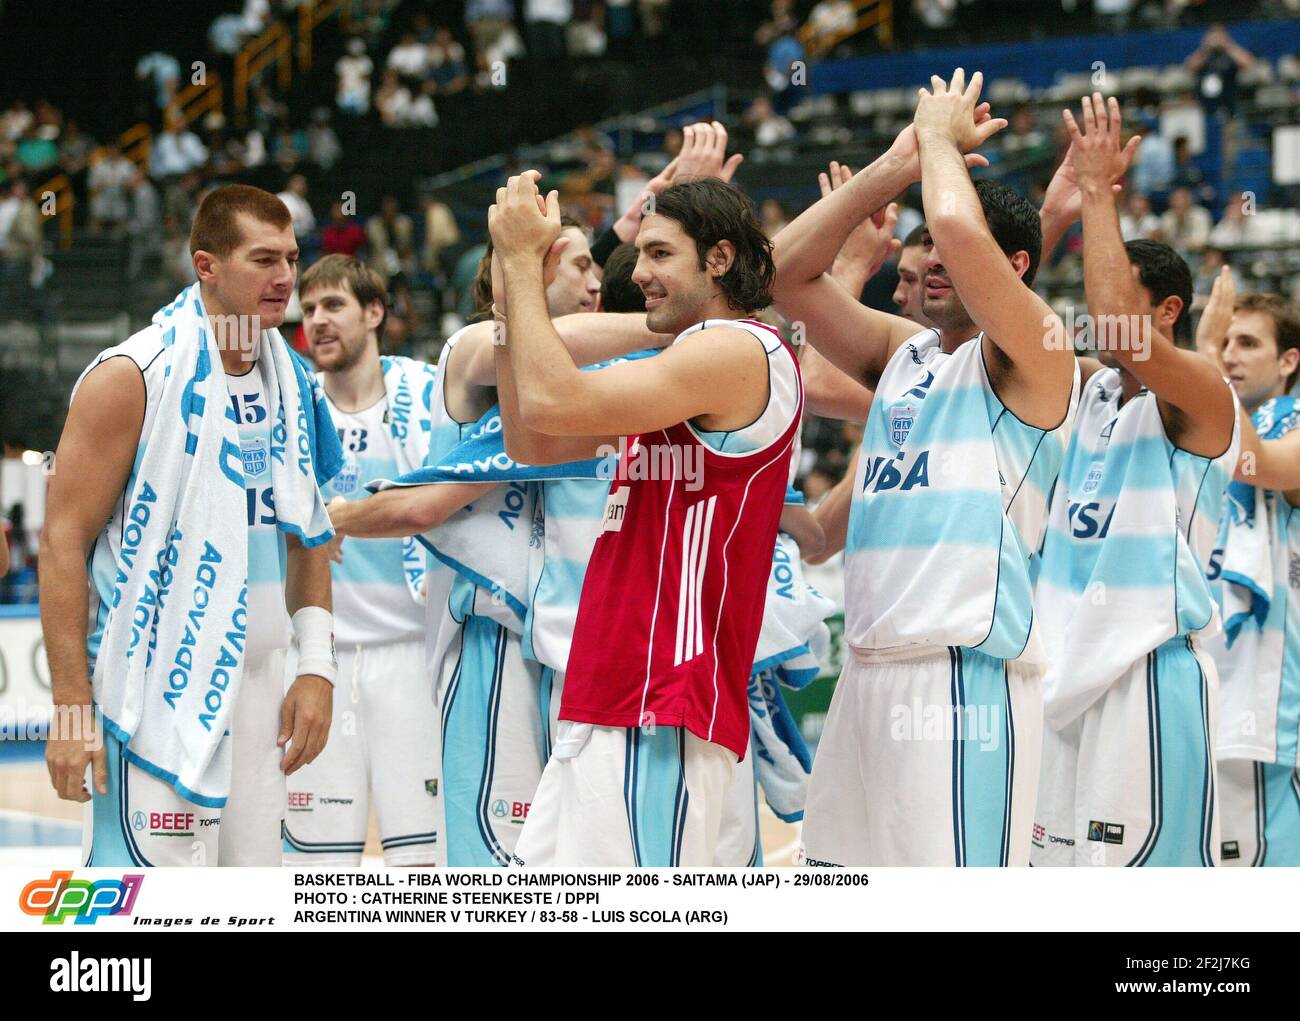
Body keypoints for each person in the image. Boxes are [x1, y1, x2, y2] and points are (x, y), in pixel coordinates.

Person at [772, 70, 1079, 867]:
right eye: (921, 258)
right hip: (867, 674)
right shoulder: (902, 354)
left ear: (1011, 265)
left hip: (959, 682)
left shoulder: (1037, 358)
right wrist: (894, 165)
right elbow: (781, 277)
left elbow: (953, 219)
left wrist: (938, 139)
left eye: (951, 253)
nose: (934, 260)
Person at [491, 171, 803, 867]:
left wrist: (517, 262)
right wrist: (509, 296)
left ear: (718, 258)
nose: (640, 270)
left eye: (661, 253)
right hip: (610, 693)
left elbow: (551, 400)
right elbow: (531, 440)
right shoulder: (682, 365)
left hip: (662, 696)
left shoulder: (738, 350)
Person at [41, 185, 342, 867]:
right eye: (264, 259)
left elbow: (310, 533)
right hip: (153, 689)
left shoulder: (293, 381)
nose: (286, 278)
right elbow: (62, 540)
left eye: (292, 257)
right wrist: (69, 706)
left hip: (263, 692)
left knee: (253, 907)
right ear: (206, 265)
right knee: (152, 914)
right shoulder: (131, 375)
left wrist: (317, 665)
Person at [1033, 95, 1239, 868]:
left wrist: (1096, 191)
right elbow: (1004, 329)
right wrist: (1047, 219)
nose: (1094, 317)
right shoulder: (1088, 392)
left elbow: (1116, 317)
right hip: (1064, 680)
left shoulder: (1201, 397)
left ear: (1171, 311)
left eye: (1116, 290)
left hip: (1147, 677)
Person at [282, 255, 441, 867]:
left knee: (424, 864)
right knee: (316, 867)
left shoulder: (427, 395)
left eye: (334, 306)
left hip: (412, 656)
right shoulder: (288, 411)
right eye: (310, 308)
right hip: (320, 663)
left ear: (375, 313)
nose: (317, 321)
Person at [1196, 273, 1300, 866]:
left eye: (1248, 344)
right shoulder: (1198, 427)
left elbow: (1256, 460)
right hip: (1205, 684)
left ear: (1289, 360)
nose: (1231, 354)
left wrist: (1204, 359)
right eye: (1226, 341)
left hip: (1266, 702)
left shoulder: (1290, 422)